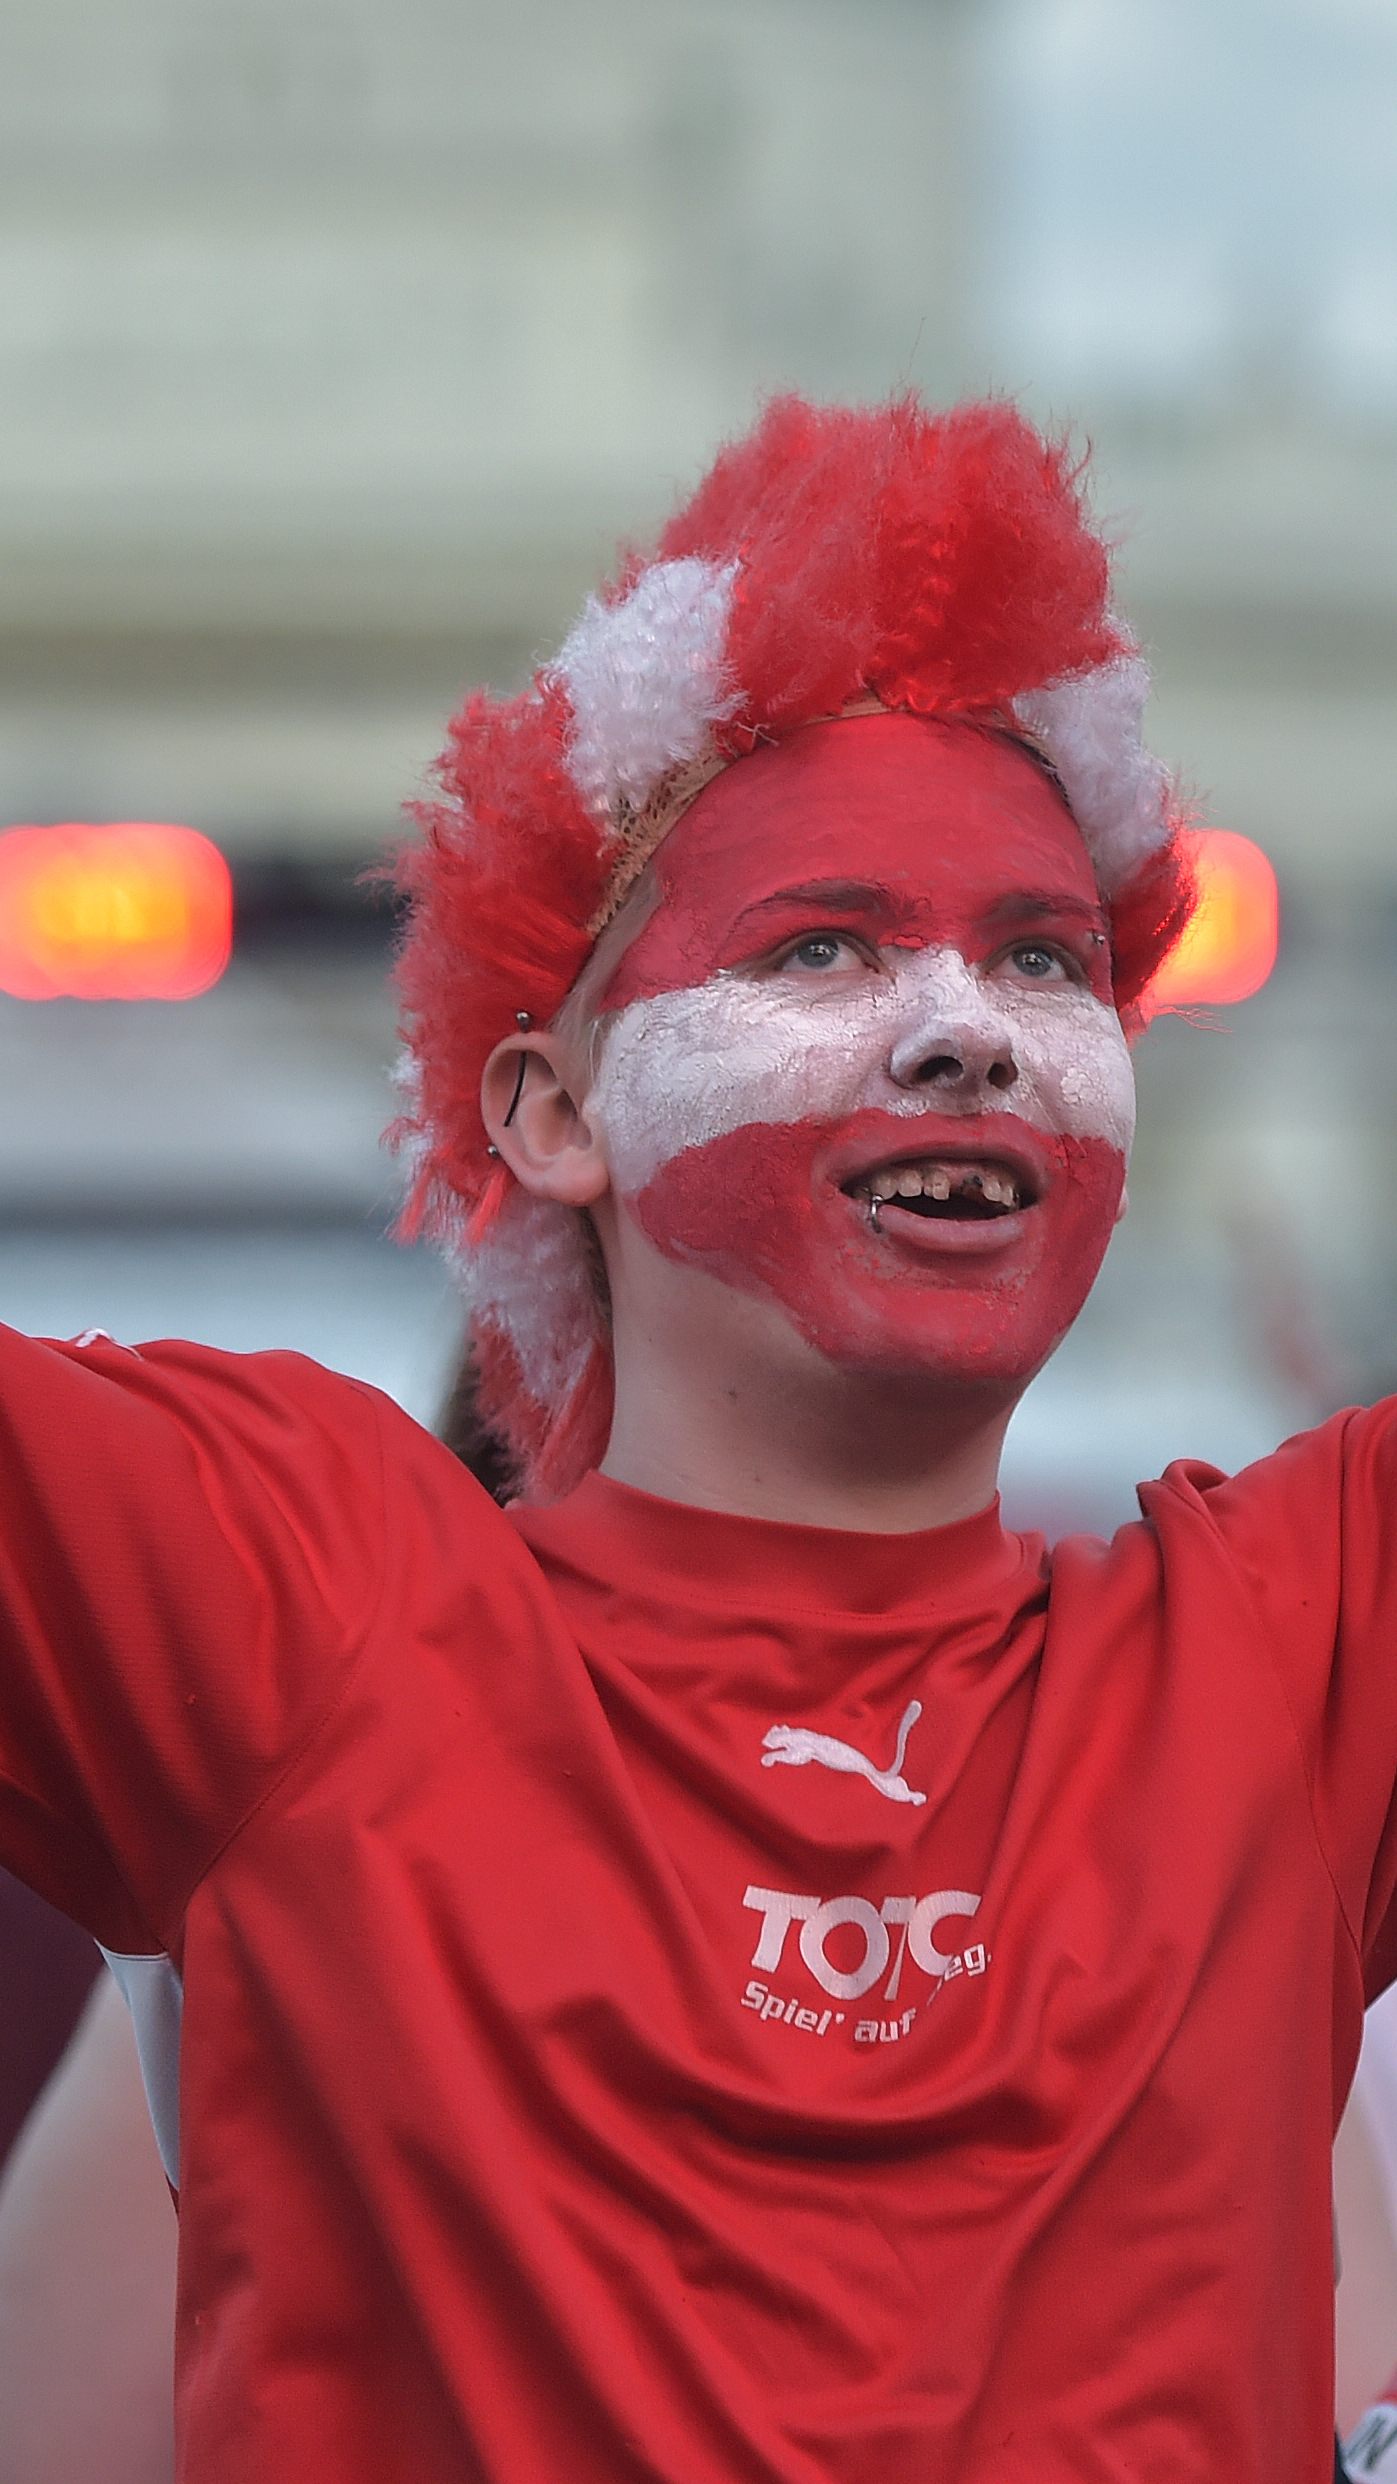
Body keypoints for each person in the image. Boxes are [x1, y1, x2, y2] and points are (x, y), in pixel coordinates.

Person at [1, 392, 1392, 2483]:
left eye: (1043, 955)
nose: (963, 1027)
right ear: (548, 1110)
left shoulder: (1292, 1654)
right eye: (819, 945)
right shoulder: (299, 1599)